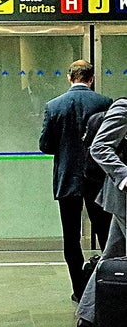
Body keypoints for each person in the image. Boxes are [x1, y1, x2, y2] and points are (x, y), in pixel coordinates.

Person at [39, 59, 113, 302]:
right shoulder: (105, 103)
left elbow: (45, 145)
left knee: (71, 237)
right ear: (91, 79)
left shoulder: (54, 105)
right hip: (98, 179)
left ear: (69, 78)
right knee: (105, 234)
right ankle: (107, 286)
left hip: (67, 178)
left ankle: (80, 291)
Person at [76, 96, 127, 327]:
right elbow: (99, 147)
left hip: (121, 201)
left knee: (113, 253)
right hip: (124, 196)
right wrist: (123, 175)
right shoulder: (123, 107)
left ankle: (87, 317)